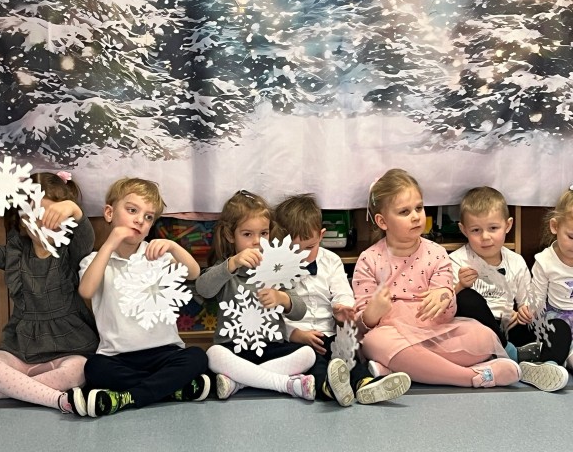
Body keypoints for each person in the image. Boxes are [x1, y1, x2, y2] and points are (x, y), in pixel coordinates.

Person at [353, 169, 521, 388]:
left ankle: (400, 368)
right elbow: (361, 327)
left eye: (419, 208)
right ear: (382, 221)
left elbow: (447, 314)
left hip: (434, 333)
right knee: (374, 342)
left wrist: (444, 298)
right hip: (393, 334)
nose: (416, 216)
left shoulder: (437, 253)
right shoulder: (369, 260)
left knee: (483, 337)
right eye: (404, 212)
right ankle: (472, 377)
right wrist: (371, 313)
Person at [0, 172, 99, 415]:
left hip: (68, 346)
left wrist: (74, 210)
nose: (43, 223)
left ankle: (3, 391)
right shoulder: (17, 251)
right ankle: (56, 399)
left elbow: (86, 239)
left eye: (51, 215)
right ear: (22, 220)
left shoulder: (70, 250)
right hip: (22, 350)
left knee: (81, 368)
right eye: (34, 215)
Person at [78, 178, 209, 418]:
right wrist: (110, 244)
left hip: (165, 352)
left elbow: (193, 273)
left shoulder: (156, 255)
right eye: (132, 210)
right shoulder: (94, 260)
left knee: (197, 357)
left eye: (148, 217)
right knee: (94, 368)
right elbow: (86, 291)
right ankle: (170, 389)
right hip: (118, 357)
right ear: (109, 213)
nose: (140, 220)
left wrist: (173, 247)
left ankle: (129, 397)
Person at [275, 193, 411, 406]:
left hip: (328, 330)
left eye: (309, 247)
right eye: (294, 250)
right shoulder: (275, 268)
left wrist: (342, 308)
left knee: (349, 351)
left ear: (321, 235)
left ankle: (365, 383)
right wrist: (294, 333)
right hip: (298, 338)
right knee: (313, 363)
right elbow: (272, 315)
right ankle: (329, 388)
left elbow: (342, 291)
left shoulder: (331, 261)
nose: (303, 256)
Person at [195, 190, 317, 400]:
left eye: (264, 233)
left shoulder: (277, 269)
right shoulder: (226, 269)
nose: (257, 241)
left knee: (308, 354)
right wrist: (232, 264)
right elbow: (203, 289)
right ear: (230, 235)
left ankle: (239, 383)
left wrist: (282, 299)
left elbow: (300, 311)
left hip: (272, 347)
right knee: (213, 355)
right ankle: (285, 383)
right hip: (233, 348)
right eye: (247, 234)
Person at [451, 186, 570, 392]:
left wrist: (524, 312)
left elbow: (528, 302)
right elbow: (448, 304)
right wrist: (460, 285)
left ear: (508, 225)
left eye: (493, 228)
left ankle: (547, 365)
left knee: (559, 327)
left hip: (509, 329)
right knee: (467, 297)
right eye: (476, 230)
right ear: (463, 230)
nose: (485, 237)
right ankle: (506, 352)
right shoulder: (457, 260)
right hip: (478, 330)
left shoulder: (516, 261)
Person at [531, 186, 573, 375]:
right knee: (559, 332)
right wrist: (529, 312)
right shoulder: (545, 261)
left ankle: (563, 362)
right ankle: (548, 366)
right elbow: (537, 300)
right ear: (555, 226)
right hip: (556, 320)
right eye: (571, 237)